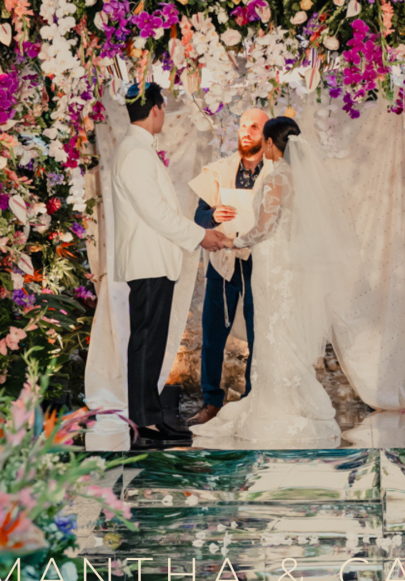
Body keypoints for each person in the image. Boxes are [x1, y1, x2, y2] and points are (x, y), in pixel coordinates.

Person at [190, 117, 344, 450]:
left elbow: (263, 228)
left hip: (272, 263)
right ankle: (290, 396)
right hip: (289, 263)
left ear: (272, 144)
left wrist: (233, 241)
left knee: (273, 328)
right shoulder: (302, 179)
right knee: (281, 329)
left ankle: (275, 403)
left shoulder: (276, 177)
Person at [110, 82, 228, 451]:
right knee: (145, 342)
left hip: (153, 260)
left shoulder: (138, 150)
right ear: (156, 109)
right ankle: (143, 422)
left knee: (151, 341)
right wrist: (200, 235)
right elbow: (157, 214)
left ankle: (150, 417)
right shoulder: (135, 154)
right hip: (147, 261)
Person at [187, 107, 271, 428]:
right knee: (212, 333)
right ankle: (211, 402)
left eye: (253, 127)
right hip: (222, 263)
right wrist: (213, 217)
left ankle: (252, 399)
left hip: (258, 264)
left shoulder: (275, 172)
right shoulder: (219, 170)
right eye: (242, 126)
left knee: (257, 334)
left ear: (266, 135)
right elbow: (199, 217)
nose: (245, 132)